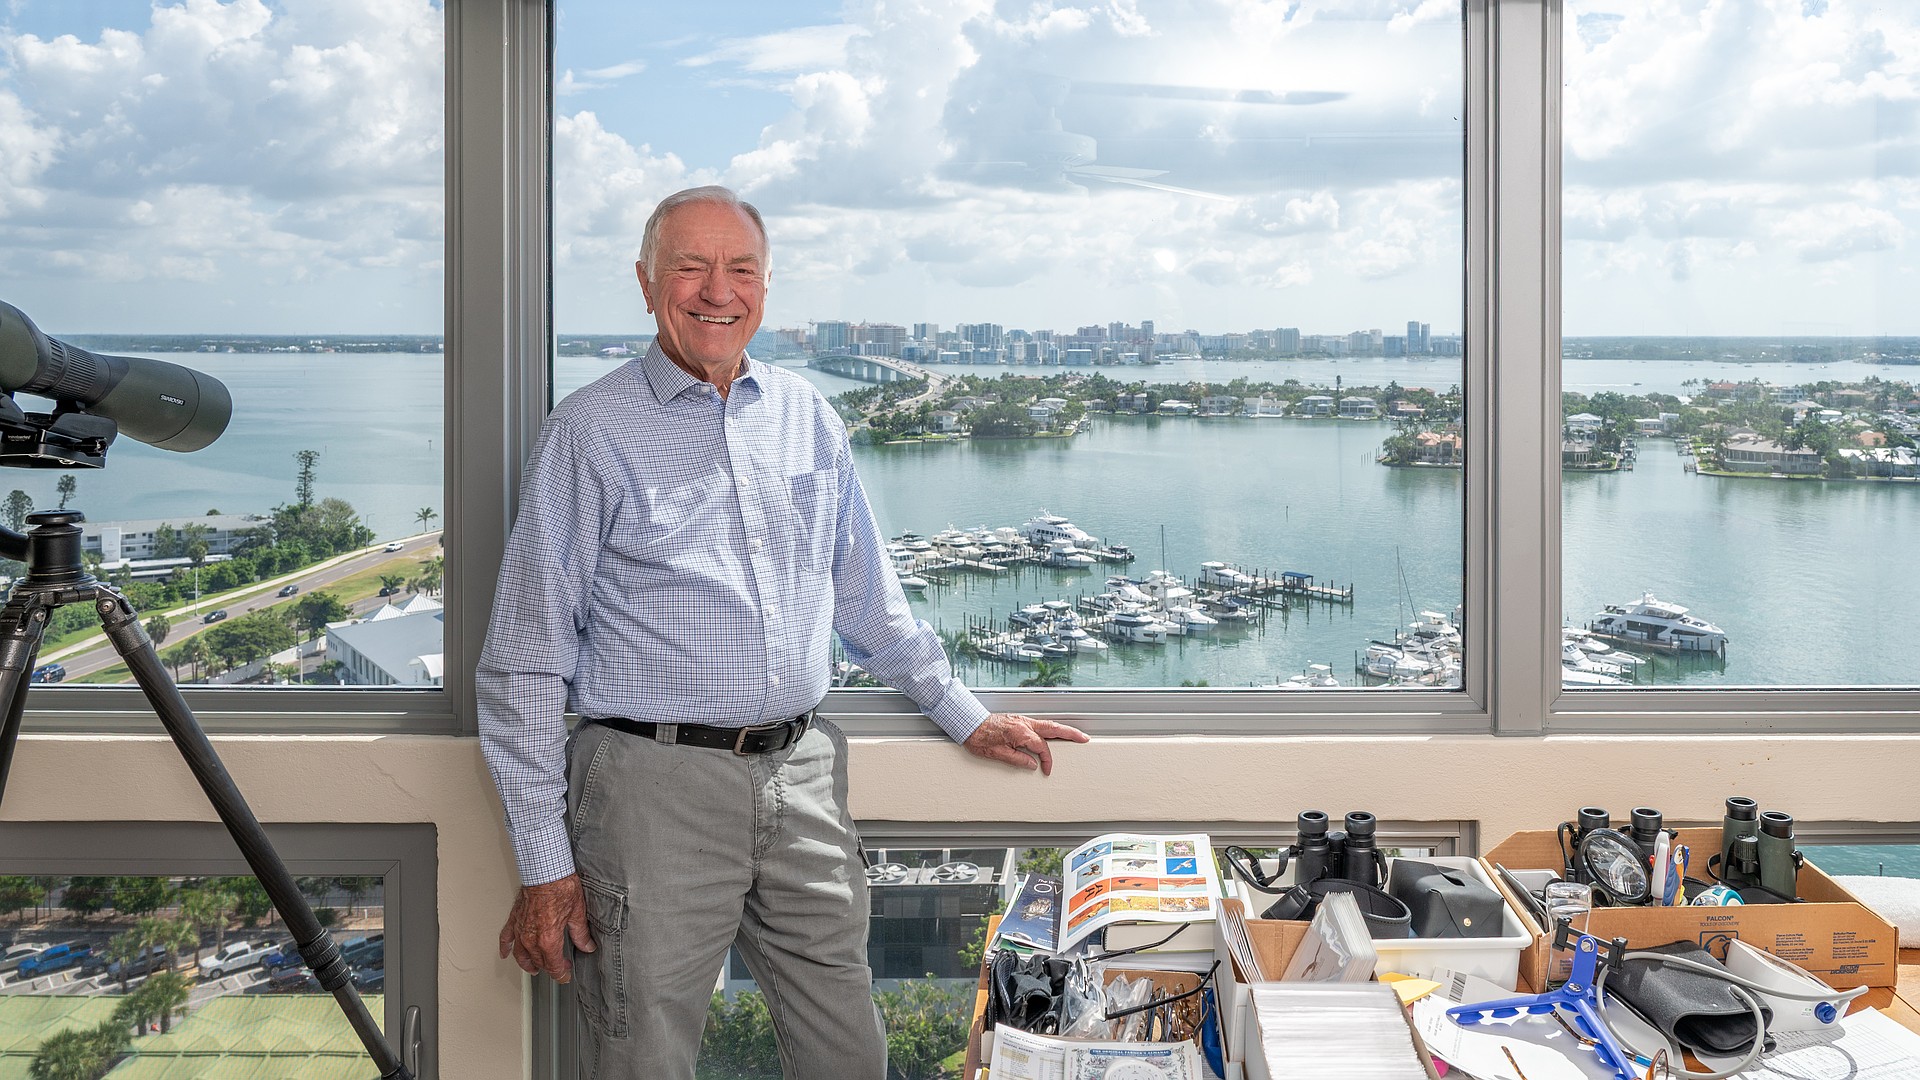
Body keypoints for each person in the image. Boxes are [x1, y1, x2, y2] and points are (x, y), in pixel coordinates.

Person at [478, 184, 1089, 1080]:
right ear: (647, 283)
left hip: (802, 776)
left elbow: (869, 606)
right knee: (641, 1053)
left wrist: (966, 714)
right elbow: (525, 662)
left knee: (849, 1048)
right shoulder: (588, 432)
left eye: (741, 269)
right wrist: (544, 865)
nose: (717, 290)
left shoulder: (808, 415)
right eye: (690, 267)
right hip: (651, 790)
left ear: (765, 287)